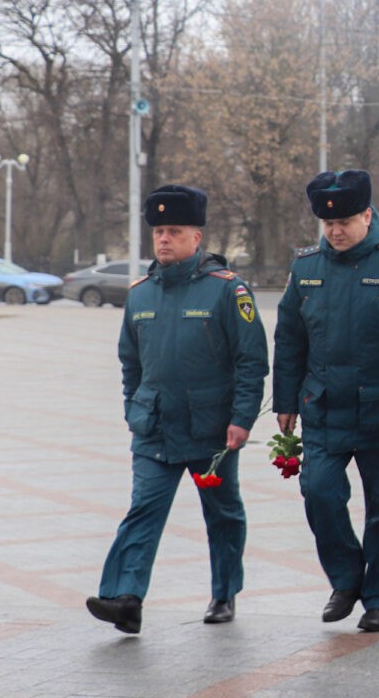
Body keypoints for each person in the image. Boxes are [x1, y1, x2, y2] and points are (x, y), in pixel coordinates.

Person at [87, 185, 269, 634]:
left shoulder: (227, 290)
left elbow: (251, 361)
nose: (164, 239)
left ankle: (224, 593)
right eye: (159, 232)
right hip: (155, 427)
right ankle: (125, 599)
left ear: (196, 237)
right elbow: (130, 362)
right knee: (143, 510)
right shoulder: (140, 294)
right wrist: (133, 408)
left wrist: (242, 419)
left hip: (211, 430)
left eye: (174, 231)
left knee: (223, 513)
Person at [272, 170, 379, 633]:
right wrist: (285, 400)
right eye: (328, 224)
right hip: (324, 407)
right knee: (319, 492)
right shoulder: (306, 268)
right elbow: (289, 338)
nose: (335, 231)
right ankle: (347, 579)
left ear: (367, 216)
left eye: (344, 221)